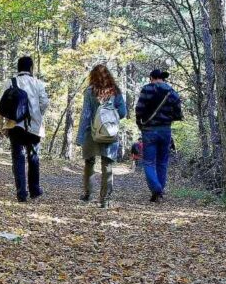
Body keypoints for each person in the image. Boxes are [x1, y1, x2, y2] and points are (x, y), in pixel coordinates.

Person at [0, 56, 49, 202]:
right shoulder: (38, 83)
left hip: (14, 126)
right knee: (33, 157)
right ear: (31, 68)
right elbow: (44, 103)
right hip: (34, 127)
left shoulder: (10, 83)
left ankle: (21, 193)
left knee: (18, 158)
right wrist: (37, 113)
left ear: (18, 68)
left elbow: (0, 107)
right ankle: (35, 190)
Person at [76, 64, 127, 208]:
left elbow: (85, 115)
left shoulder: (89, 92)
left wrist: (80, 137)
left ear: (93, 76)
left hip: (91, 132)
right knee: (107, 164)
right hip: (109, 132)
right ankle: (105, 200)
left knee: (89, 162)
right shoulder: (115, 92)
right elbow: (123, 112)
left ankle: (87, 194)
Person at [134, 69, 183, 202]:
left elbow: (139, 109)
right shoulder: (171, 91)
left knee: (148, 162)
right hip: (165, 130)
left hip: (149, 130)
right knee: (162, 162)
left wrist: (140, 122)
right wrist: (169, 118)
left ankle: (156, 189)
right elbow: (178, 113)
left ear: (151, 77)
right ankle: (159, 191)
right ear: (162, 78)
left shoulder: (147, 89)